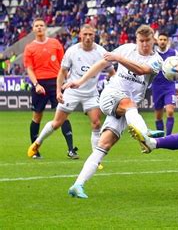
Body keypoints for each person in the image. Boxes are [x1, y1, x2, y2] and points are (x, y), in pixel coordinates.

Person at [64, 25, 163, 198]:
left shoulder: (157, 60)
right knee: (130, 104)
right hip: (111, 95)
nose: (145, 44)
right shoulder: (126, 49)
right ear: (136, 40)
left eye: (148, 41)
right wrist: (80, 81)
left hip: (127, 111)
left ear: (153, 40)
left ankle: (77, 185)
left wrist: (119, 58)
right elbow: (103, 62)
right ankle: (145, 133)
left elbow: (141, 70)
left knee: (103, 145)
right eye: (141, 41)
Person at [27, 24, 115, 160]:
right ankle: (38, 142)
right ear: (80, 35)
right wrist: (58, 91)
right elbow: (62, 72)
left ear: (94, 35)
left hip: (91, 93)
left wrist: (110, 84)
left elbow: (111, 72)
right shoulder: (72, 51)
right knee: (57, 123)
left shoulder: (101, 52)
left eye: (90, 34)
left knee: (96, 123)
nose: (87, 37)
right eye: (85, 34)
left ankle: (95, 159)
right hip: (72, 92)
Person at [23, 18, 76, 159]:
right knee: (37, 116)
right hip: (39, 84)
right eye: (36, 26)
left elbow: (63, 64)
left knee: (63, 115)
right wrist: (36, 84)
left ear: (45, 28)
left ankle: (71, 150)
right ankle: (35, 150)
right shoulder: (29, 47)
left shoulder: (55, 44)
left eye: (41, 25)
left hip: (56, 83)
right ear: (33, 29)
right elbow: (29, 69)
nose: (39, 28)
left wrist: (66, 80)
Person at [151, 32, 178, 135]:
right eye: (161, 39)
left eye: (165, 40)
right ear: (157, 41)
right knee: (158, 116)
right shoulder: (153, 54)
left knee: (170, 111)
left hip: (169, 86)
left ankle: (168, 137)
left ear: (167, 41)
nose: (162, 41)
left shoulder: (174, 53)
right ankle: (161, 138)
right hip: (156, 86)